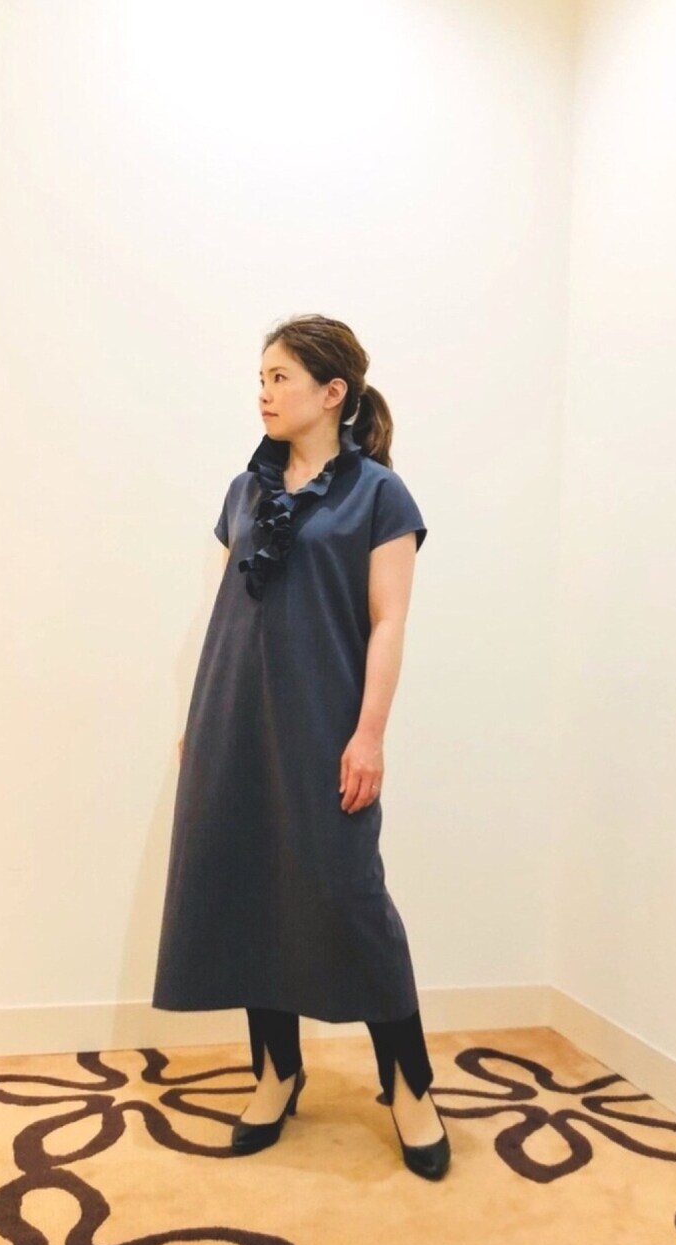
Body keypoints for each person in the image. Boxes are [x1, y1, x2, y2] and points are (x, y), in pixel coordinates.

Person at [151, 314, 449, 1180]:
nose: (264, 392)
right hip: (233, 718)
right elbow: (223, 612)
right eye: (261, 377)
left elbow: (389, 621)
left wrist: (369, 735)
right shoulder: (243, 493)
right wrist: (196, 719)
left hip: (325, 723)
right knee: (251, 890)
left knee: (350, 896)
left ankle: (409, 1086)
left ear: (332, 392)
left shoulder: (380, 495)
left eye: (280, 377)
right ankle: (276, 1074)